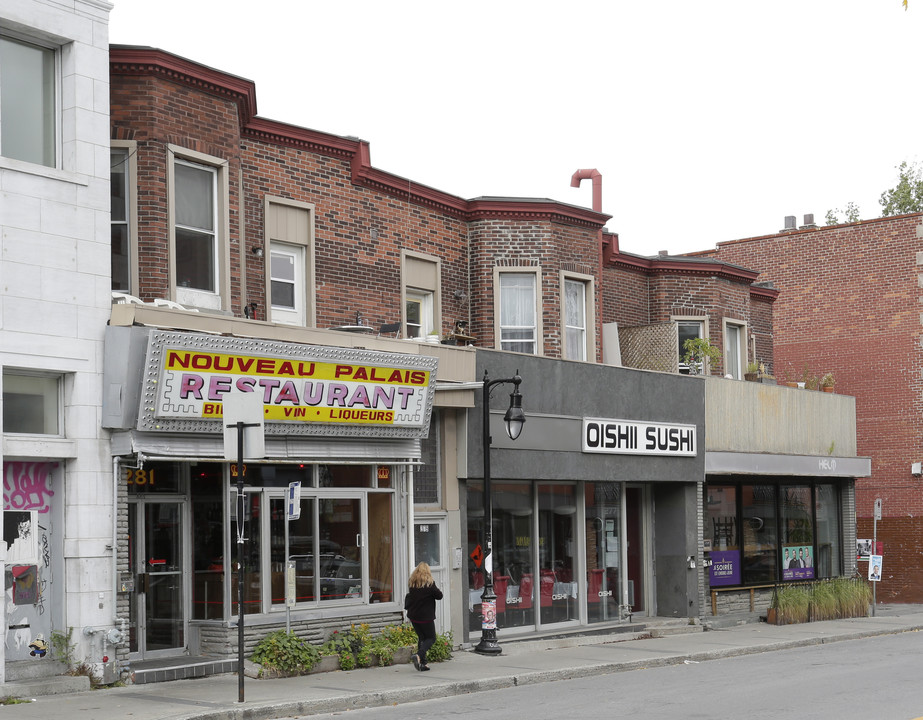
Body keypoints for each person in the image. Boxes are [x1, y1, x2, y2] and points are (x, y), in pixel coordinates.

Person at [404, 562, 443, 671]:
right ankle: (419, 655)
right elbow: (439, 596)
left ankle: (423, 664)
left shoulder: (412, 583)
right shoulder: (430, 584)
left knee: (422, 638)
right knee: (431, 638)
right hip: (425, 617)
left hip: (414, 616)